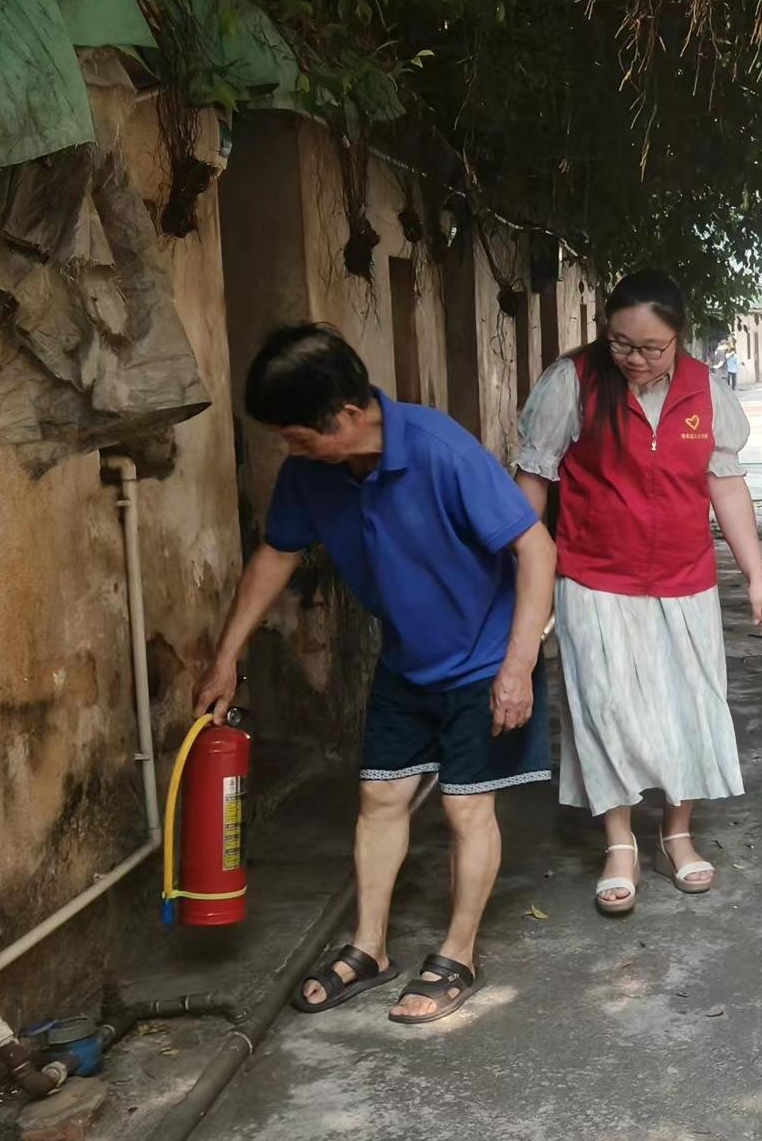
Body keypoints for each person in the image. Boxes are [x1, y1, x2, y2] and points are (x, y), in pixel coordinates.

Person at [194, 324, 555, 1025]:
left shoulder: (442, 451)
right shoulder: (312, 473)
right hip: (406, 660)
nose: (290, 450)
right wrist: (225, 656)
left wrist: (518, 667)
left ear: (349, 416)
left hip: (485, 660)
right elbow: (276, 554)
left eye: (299, 436)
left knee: (465, 808)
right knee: (380, 798)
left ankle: (458, 954)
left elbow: (535, 550)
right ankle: (370, 947)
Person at [515, 270, 762, 916]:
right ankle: (619, 844)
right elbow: (534, 477)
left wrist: (756, 576)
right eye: (621, 343)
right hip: (594, 576)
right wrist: (521, 570)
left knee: (688, 706)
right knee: (605, 709)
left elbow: (725, 484)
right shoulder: (573, 381)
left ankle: (675, 836)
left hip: (684, 578)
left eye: (651, 347)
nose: (634, 359)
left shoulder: (706, 390)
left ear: (679, 337)